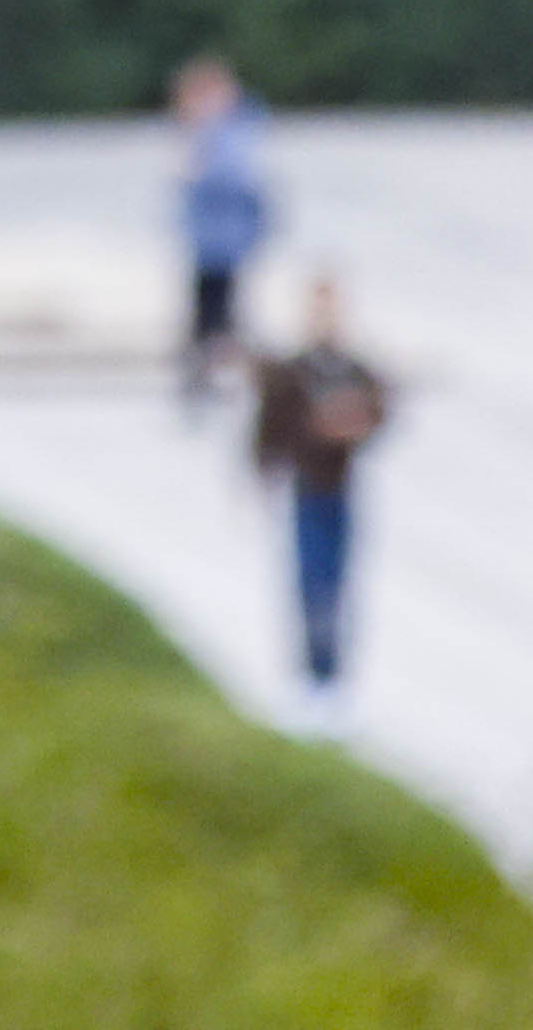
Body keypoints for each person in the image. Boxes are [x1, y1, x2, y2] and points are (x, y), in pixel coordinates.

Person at [252, 277, 398, 692]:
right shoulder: (293, 371)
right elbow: (271, 427)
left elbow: (379, 412)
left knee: (338, 576)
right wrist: (266, 468)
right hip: (307, 484)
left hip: (341, 483)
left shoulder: (352, 368)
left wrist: (355, 424)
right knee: (311, 575)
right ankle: (313, 664)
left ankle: (331, 664)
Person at [168, 55, 274, 399]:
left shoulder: (228, 134)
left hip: (223, 237)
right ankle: (208, 371)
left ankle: (218, 371)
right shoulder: (218, 132)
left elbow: (232, 180)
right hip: (212, 238)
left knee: (219, 310)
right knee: (211, 307)